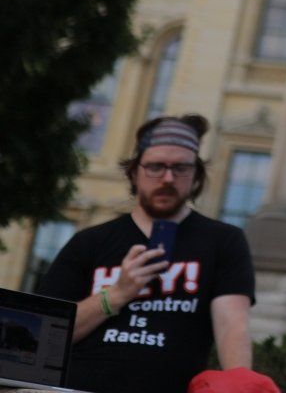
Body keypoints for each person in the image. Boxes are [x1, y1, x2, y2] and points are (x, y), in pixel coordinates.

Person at [38, 115, 257, 393]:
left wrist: (241, 385)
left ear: (196, 175)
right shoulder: (91, 242)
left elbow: (232, 326)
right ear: (134, 172)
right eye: (155, 167)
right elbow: (46, 334)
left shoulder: (223, 241)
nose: (168, 178)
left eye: (180, 168)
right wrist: (115, 295)